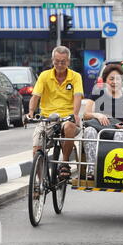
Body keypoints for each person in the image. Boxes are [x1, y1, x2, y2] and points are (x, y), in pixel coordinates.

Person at [28, 46, 83, 179]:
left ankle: (64, 163)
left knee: (69, 126)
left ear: (68, 62)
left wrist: (75, 114)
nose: (59, 64)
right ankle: (39, 183)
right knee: (37, 149)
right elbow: (35, 96)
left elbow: (77, 96)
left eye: (63, 62)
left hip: (67, 118)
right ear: (52, 60)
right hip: (47, 118)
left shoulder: (75, 77)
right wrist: (30, 112)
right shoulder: (44, 76)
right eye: (57, 61)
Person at [83, 64, 123, 179]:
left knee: (122, 133)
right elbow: (86, 115)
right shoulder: (97, 92)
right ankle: (91, 170)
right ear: (106, 80)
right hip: (98, 127)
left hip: (117, 128)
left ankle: (113, 170)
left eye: (118, 79)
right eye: (111, 79)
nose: (114, 82)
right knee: (89, 130)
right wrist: (97, 114)